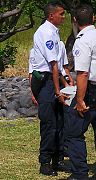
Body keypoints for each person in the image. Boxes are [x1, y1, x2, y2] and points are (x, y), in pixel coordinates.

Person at [64, 4, 96, 180]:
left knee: (73, 132)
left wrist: (79, 100)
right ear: (93, 18)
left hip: (91, 91)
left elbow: (83, 73)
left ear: (75, 21)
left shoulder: (83, 40)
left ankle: (80, 173)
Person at [29, 1, 68, 176]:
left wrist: (65, 83)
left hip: (54, 80)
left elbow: (60, 66)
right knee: (49, 123)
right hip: (45, 82)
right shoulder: (45, 32)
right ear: (51, 15)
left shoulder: (54, 32)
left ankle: (58, 159)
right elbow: (53, 64)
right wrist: (57, 90)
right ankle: (45, 161)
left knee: (60, 121)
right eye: (61, 14)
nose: (63, 16)